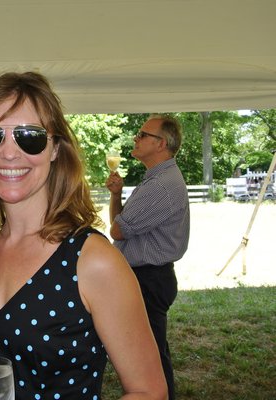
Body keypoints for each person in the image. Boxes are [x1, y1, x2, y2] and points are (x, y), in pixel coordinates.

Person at [0, 72, 167, 400]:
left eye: (29, 136)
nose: (9, 153)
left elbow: (149, 391)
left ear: (55, 148)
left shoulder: (93, 260)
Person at [105, 114, 190, 400]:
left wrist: (118, 213)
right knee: (152, 350)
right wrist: (117, 194)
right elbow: (121, 225)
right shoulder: (156, 178)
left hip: (149, 278)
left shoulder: (160, 186)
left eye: (142, 134)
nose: (136, 138)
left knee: (149, 356)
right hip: (149, 276)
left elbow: (117, 230)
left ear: (161, 143)